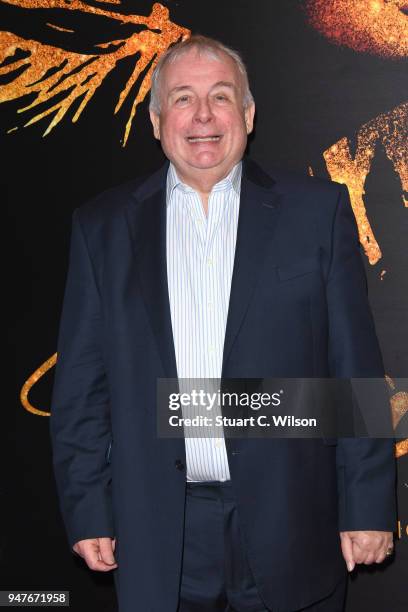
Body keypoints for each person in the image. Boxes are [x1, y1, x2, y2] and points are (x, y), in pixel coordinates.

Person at [50, 35, 396, 612]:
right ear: (158, 120)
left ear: (249, 114)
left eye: (221, 96)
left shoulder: (317, 211)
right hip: (159, 530)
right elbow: (82, 391)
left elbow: (357, 372)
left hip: (295, 521)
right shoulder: (101, 228)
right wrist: (88, 508)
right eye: (183, 99)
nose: (204, 116)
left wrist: (366, 505)